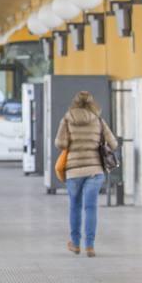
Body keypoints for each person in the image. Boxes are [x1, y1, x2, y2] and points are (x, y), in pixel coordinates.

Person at [54, 90, 118, 258]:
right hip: (94, 171)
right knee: (90, 208)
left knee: (75, 206)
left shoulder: (67, 119)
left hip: (74, 171)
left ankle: (75, 244)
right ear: (92, 103)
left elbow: (60, 143)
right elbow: (113, 143)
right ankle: (90, 246)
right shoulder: (97, 120)